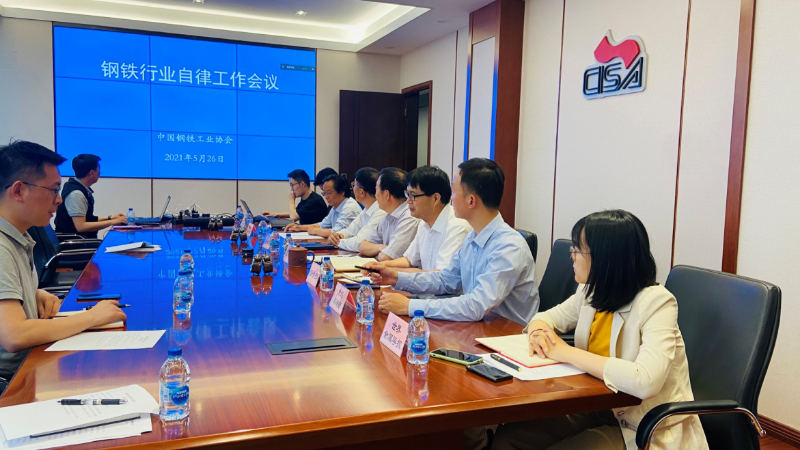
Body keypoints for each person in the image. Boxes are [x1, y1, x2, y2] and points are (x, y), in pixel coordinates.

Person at [491, 210, 708, 450]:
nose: (572, 256)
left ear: (606, 258)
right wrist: (538, 334)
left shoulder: (657, 303)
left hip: (642, 426)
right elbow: (545, 318)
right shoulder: (591, 291)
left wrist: (565, 352)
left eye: (578, 250)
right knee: (507, 441)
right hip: (594, 408)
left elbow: (646, 381)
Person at [0, 141, 127, 387]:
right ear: (18, 191)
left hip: (30, 363)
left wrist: (30, 294)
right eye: (53, 190)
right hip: (12, 381)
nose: (59, 200)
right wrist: (92, 317)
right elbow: (14, 335)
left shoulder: (19, 237)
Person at [366, 158, 539, 325]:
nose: (450, 198)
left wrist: (410, 306)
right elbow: (446, 279)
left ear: (471, 200)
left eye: (454, 191)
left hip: (507, 336)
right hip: (478, 327)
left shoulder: (509, 246)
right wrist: (396, 277)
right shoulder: (473, 237)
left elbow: (477, 305)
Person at [367, 165, 470, 272]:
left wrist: (392, 273)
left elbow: (441, 276)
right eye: (407, 194)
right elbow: (409, 261)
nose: (408, 200)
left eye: (413, 195)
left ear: (435, 198)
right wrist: (378, 266)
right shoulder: (424, 223)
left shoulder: (457, 227)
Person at [54, 154, 127, 238]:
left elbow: (87, 220)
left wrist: (110, 218)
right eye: (98, 169)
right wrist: (112, 222)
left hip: (82, 239)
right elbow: (81, 226)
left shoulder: (80, 189)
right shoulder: (76, 194)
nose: (99, 173)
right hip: (77, 242)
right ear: (92, 173)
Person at [358, 168, 419, 261]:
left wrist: (377, 253)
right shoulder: (388, 216)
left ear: (387, 194)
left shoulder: (409, 217)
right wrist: (382, 247)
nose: (375, 195)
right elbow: (363, 246)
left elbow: (386, 257)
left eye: (376, 189)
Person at [329, 168, 387, 252]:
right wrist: (337, 235)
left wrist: (338, 242)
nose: (352, 188)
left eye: (354, 185)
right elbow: (349, 231)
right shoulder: (366, 210)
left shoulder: (380, 212)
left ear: (362, 192)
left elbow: (359, 243)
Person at [285, 174, 361, 237]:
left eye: (329, 193)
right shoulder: (336, 206)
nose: (326, 197)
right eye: (324, 193)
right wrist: (299, 227)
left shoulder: (349, 208)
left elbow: (337, 232)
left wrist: (314, 231)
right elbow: (322, 225)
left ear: (342, 192)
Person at [261, 169, 328, 225]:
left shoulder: (315, 201)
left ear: (302, 184)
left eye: (292, 185)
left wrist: (291, 201)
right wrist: (275, 215)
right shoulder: (305, 199)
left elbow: (293, 217)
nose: (291, 189)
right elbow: (296, 212)